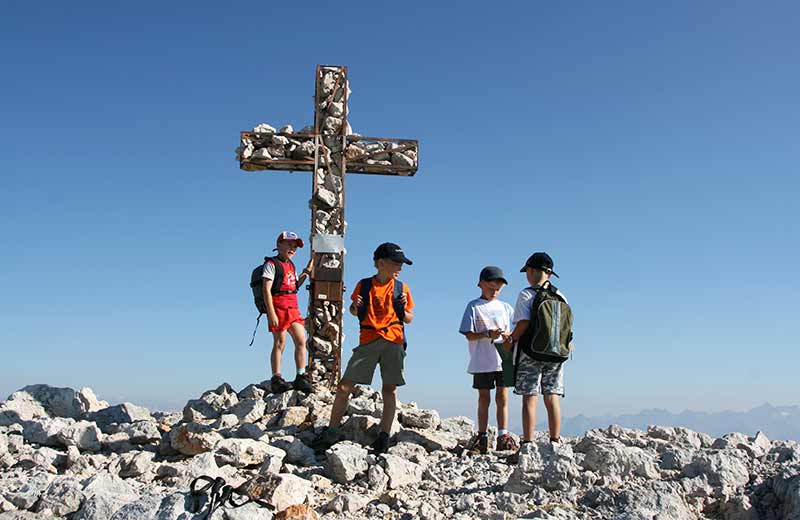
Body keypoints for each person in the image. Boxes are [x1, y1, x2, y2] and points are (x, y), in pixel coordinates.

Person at [313, 242, 415, 454]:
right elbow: (353, 310)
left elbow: (409, 318)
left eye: (401, 263)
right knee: (344, 387)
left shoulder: (402, 288)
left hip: (394, 340)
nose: (400, 267)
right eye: (396, 263)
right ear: (380, 263)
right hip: (368, 340)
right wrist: (355, 306)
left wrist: (401, 309)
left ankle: (383, 437)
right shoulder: (365, 285)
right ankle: (331, 432)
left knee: (389, 389)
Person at [504, 252, 569, 449]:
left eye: (527, 272)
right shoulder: (561, 295)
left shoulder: (526, 294)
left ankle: (528, 443)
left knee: (530, 397)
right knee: (552, 397)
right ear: (550, 274)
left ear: (531, 271)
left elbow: (523, 323)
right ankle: (555, 441)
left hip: (530, 352)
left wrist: (511, 339)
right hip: (556, 353)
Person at [459, 266, 519, 455]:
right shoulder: (474, 306)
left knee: (503, 397)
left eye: (498, 289)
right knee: (483, 398)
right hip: (482, 359)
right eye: (491, 287)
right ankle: (482, 436)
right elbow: (468, 334)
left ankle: (503, 436)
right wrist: (487, 334)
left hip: (504, 357)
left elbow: (513, 330)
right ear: (481, 284)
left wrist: (509, 336)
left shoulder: (506, 308)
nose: (495, 291)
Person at [262, 231, 313, 394]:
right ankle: (276, 378)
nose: (292, 248)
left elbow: (295, 285)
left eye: (295, 246)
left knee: (301, 341)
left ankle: (300, 376)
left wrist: (307, 270)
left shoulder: (291, 265)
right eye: (289, 244)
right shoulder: (272, 264)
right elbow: (266, 289)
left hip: (292, 306)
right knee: (280, 343)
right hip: (278, 306)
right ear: (279, 245)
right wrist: (271, 313)